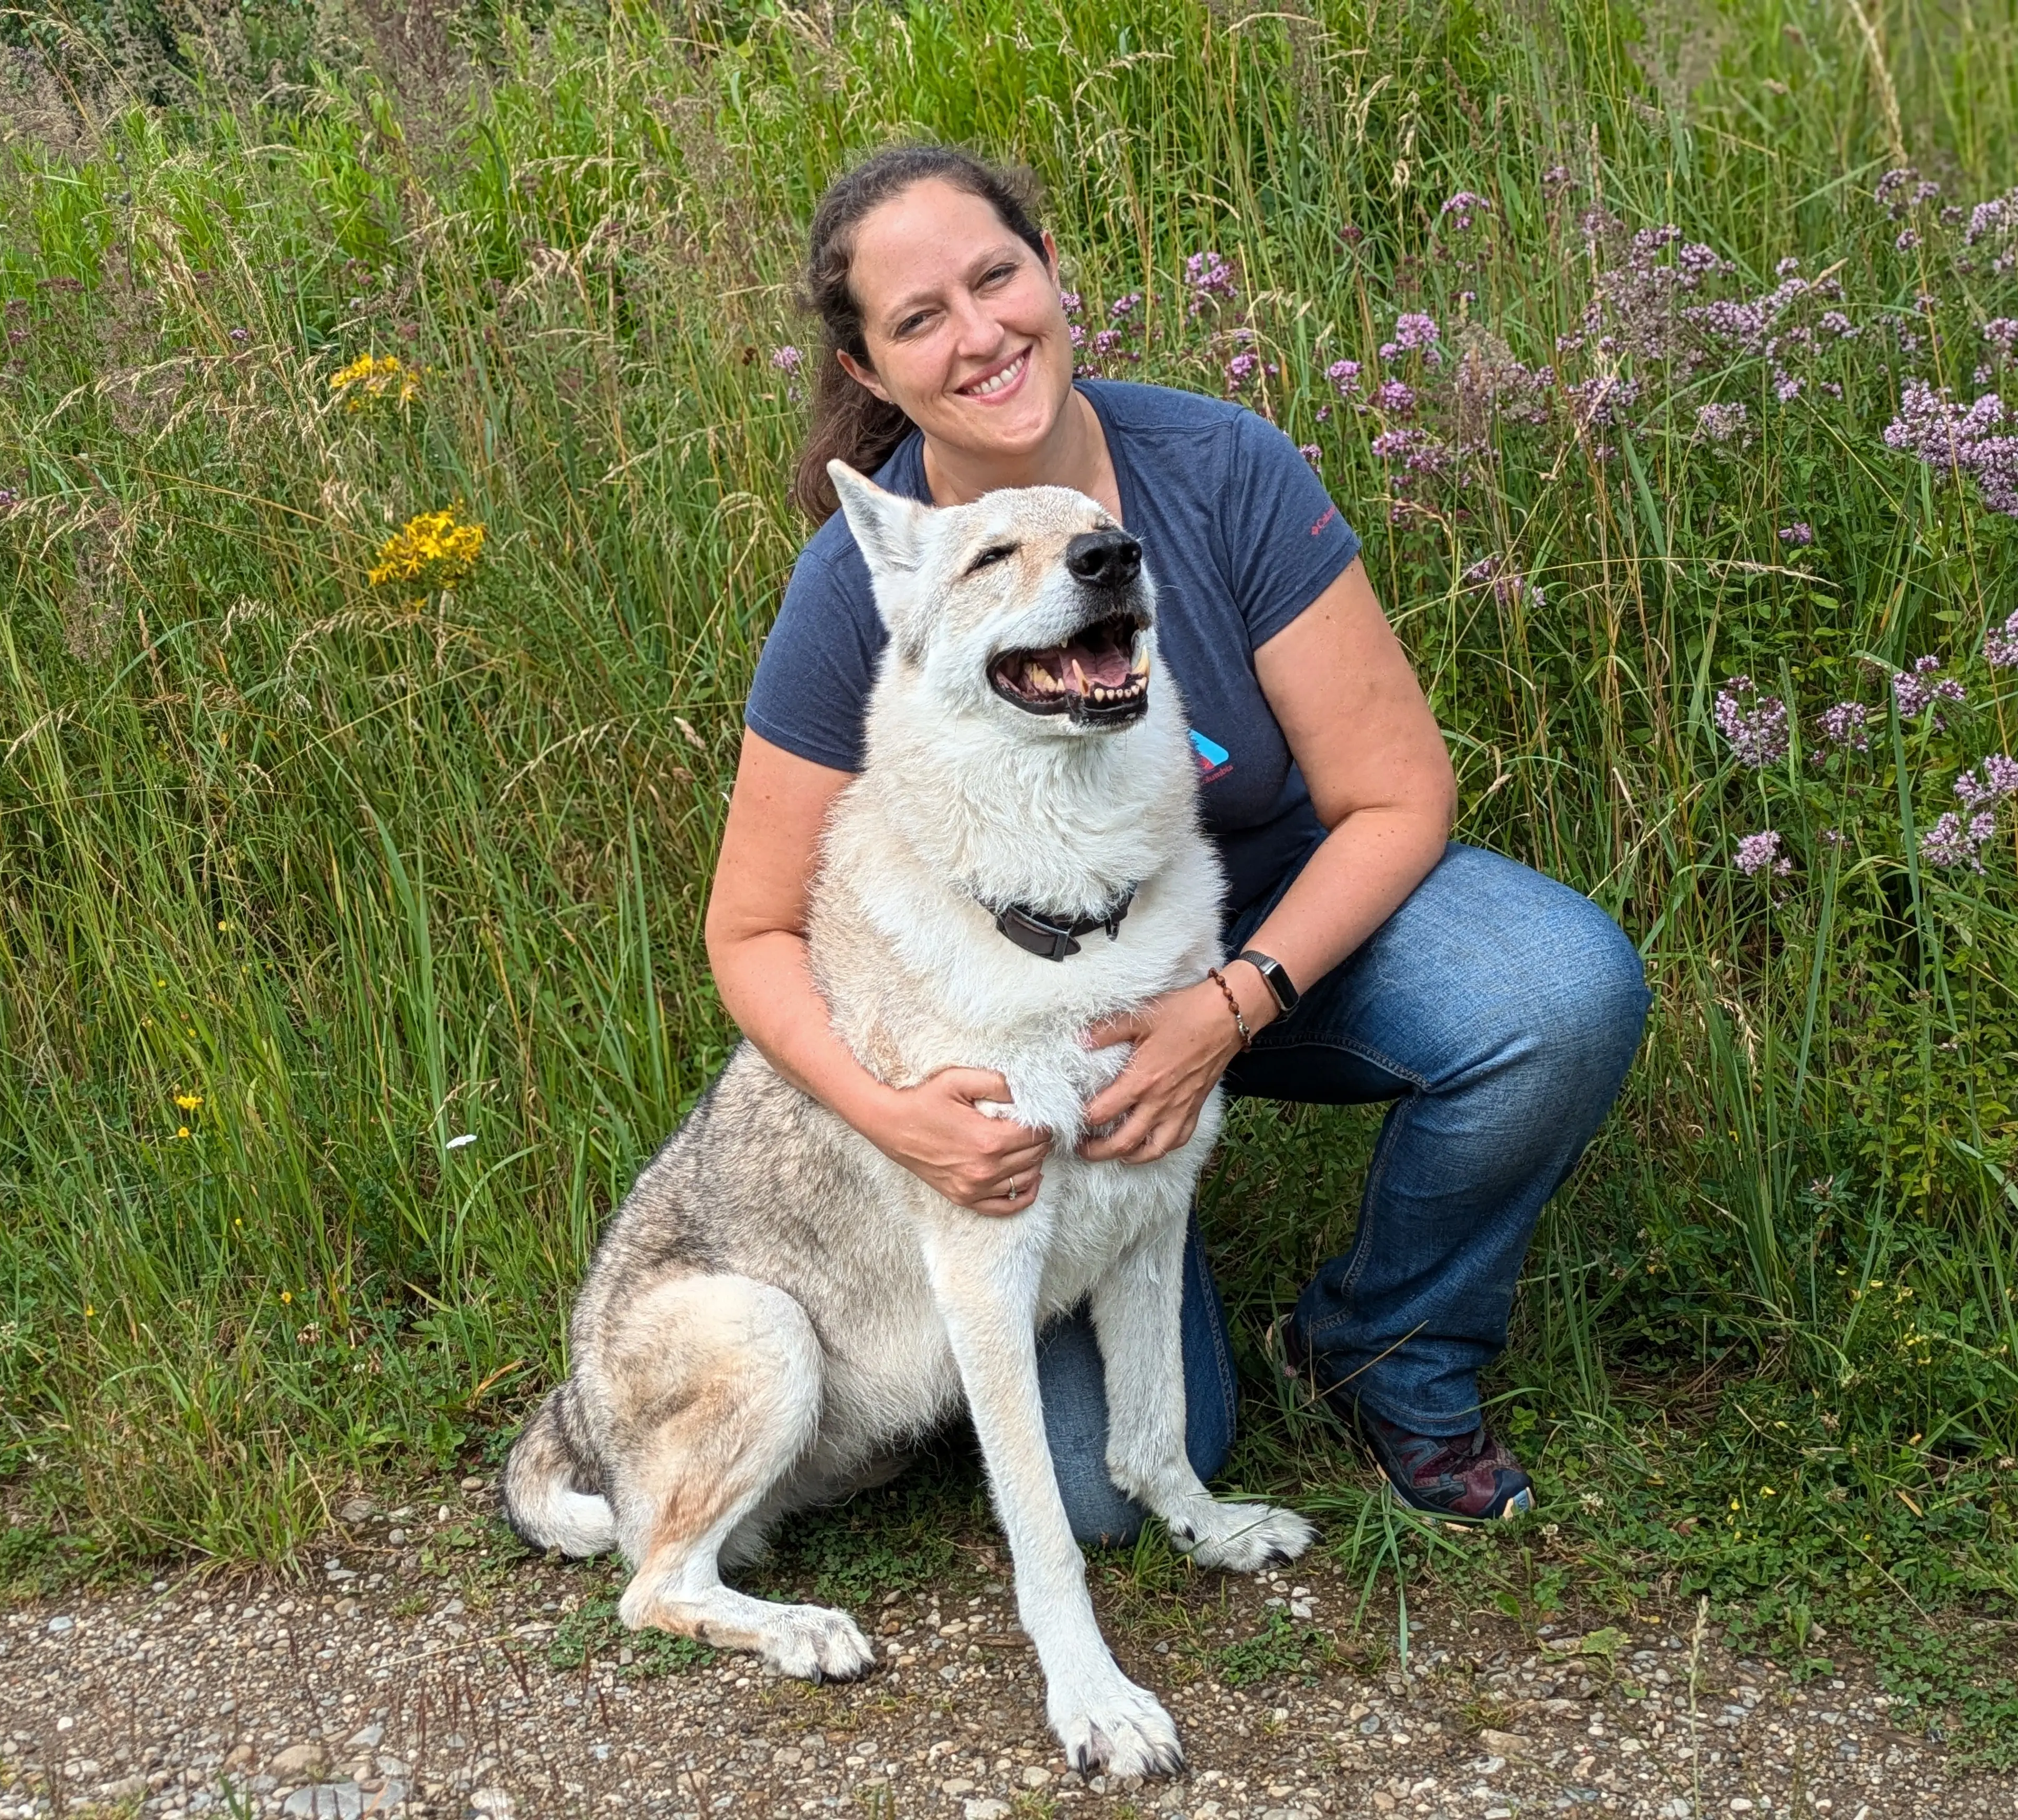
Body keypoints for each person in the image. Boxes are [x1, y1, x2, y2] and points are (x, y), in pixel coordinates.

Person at [705, 144, 1650, 1536]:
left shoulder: (1219, 468)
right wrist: (897, 1117)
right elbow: (752, 927)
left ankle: (1393, 1347)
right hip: (1047, 1037)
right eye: (918, 320)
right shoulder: (872, 570)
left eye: (996, 276)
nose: (979, 335)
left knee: (1558, 992)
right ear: (865, 366)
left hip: (1285, 944)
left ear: (1051, 272)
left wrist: (1228, 1006)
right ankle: (1134, 1243)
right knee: (1109, 1500)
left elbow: (1399, 796)